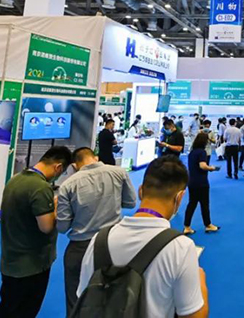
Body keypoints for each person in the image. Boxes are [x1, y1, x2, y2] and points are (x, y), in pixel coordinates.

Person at [76, 156, 209, 318]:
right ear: (179, 197)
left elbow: (83, 298)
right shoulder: (181, 247)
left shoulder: (99, 240)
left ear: (140, 191)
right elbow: (194, 315)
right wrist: (201, 282)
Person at [57, 147, 137, 316]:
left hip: (80, 247)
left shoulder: (68, 185)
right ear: (96, 157)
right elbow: (130, 203)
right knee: (113, 298)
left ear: (74, 165)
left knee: (75, 300)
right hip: (112, 244)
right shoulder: (119, 172)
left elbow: (62, 227)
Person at [0, 146, 73, 318]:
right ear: (58, 167)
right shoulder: (40, 187)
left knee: (9, 306)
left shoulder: (16, 179)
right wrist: (58, 207)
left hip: (11, 258)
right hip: (31, 265)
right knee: (25, 310)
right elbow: (46, 227)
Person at [183, 133, 220, 236]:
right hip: (201, 182)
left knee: (192, 204)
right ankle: (208, 225)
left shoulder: (192, 152)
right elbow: (202, 166)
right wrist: (211, 168)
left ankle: (187, 226)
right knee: (204, 204)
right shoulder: (202, 152)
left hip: (192, 181)